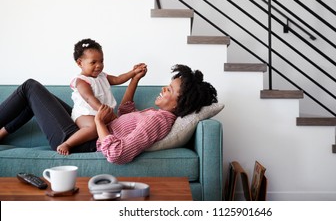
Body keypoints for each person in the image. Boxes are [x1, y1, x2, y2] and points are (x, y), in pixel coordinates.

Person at [0, 64, 218, 164]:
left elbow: (118, 153)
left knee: (30, 87)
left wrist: (98, 122)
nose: (163, 88)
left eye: (169, 90)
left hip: (80, 141)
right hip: (86, 130)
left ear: (181, 104)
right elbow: (125, 111)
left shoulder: (159, 121)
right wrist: (134, 79)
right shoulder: (156, 113)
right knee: (35, 99)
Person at [57, 38, 146, 155]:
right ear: (80, 63)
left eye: (101, 61)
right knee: (94, 128)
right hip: (85, 114)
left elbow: (118, 79)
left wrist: (133, 72)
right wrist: (102, 109)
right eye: (93, 62)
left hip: (102, 113)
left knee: (117, 125)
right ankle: (67, 143)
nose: (99, 66)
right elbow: (89, 98)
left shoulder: (102, 76)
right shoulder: (81, 81)